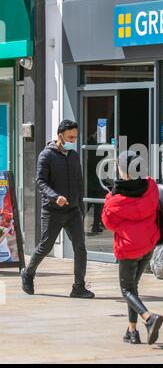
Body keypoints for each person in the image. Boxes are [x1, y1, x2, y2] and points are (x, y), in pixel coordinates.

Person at [20, 120, 95, 299]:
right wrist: (55, 197)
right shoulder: (46, 155)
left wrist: (80, 207)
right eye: (70, 137)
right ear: (60, 135)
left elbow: (78, 182)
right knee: (46, 245)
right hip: (52, 210)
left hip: (73, 210)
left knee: (80, 248)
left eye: (75, 137)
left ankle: (78, 287)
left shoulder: (74, 155)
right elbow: (40, 181)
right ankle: (28, 273)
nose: (73, 140)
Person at [102, 150, 163, 345]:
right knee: (133, 288)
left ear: (122, 171)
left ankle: (148, 318)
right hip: (148, 244)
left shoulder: (114, 199)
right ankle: (132, 331)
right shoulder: (151, 186)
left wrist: (110, 196)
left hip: (128, 248)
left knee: (127, 290)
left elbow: (108, 223)